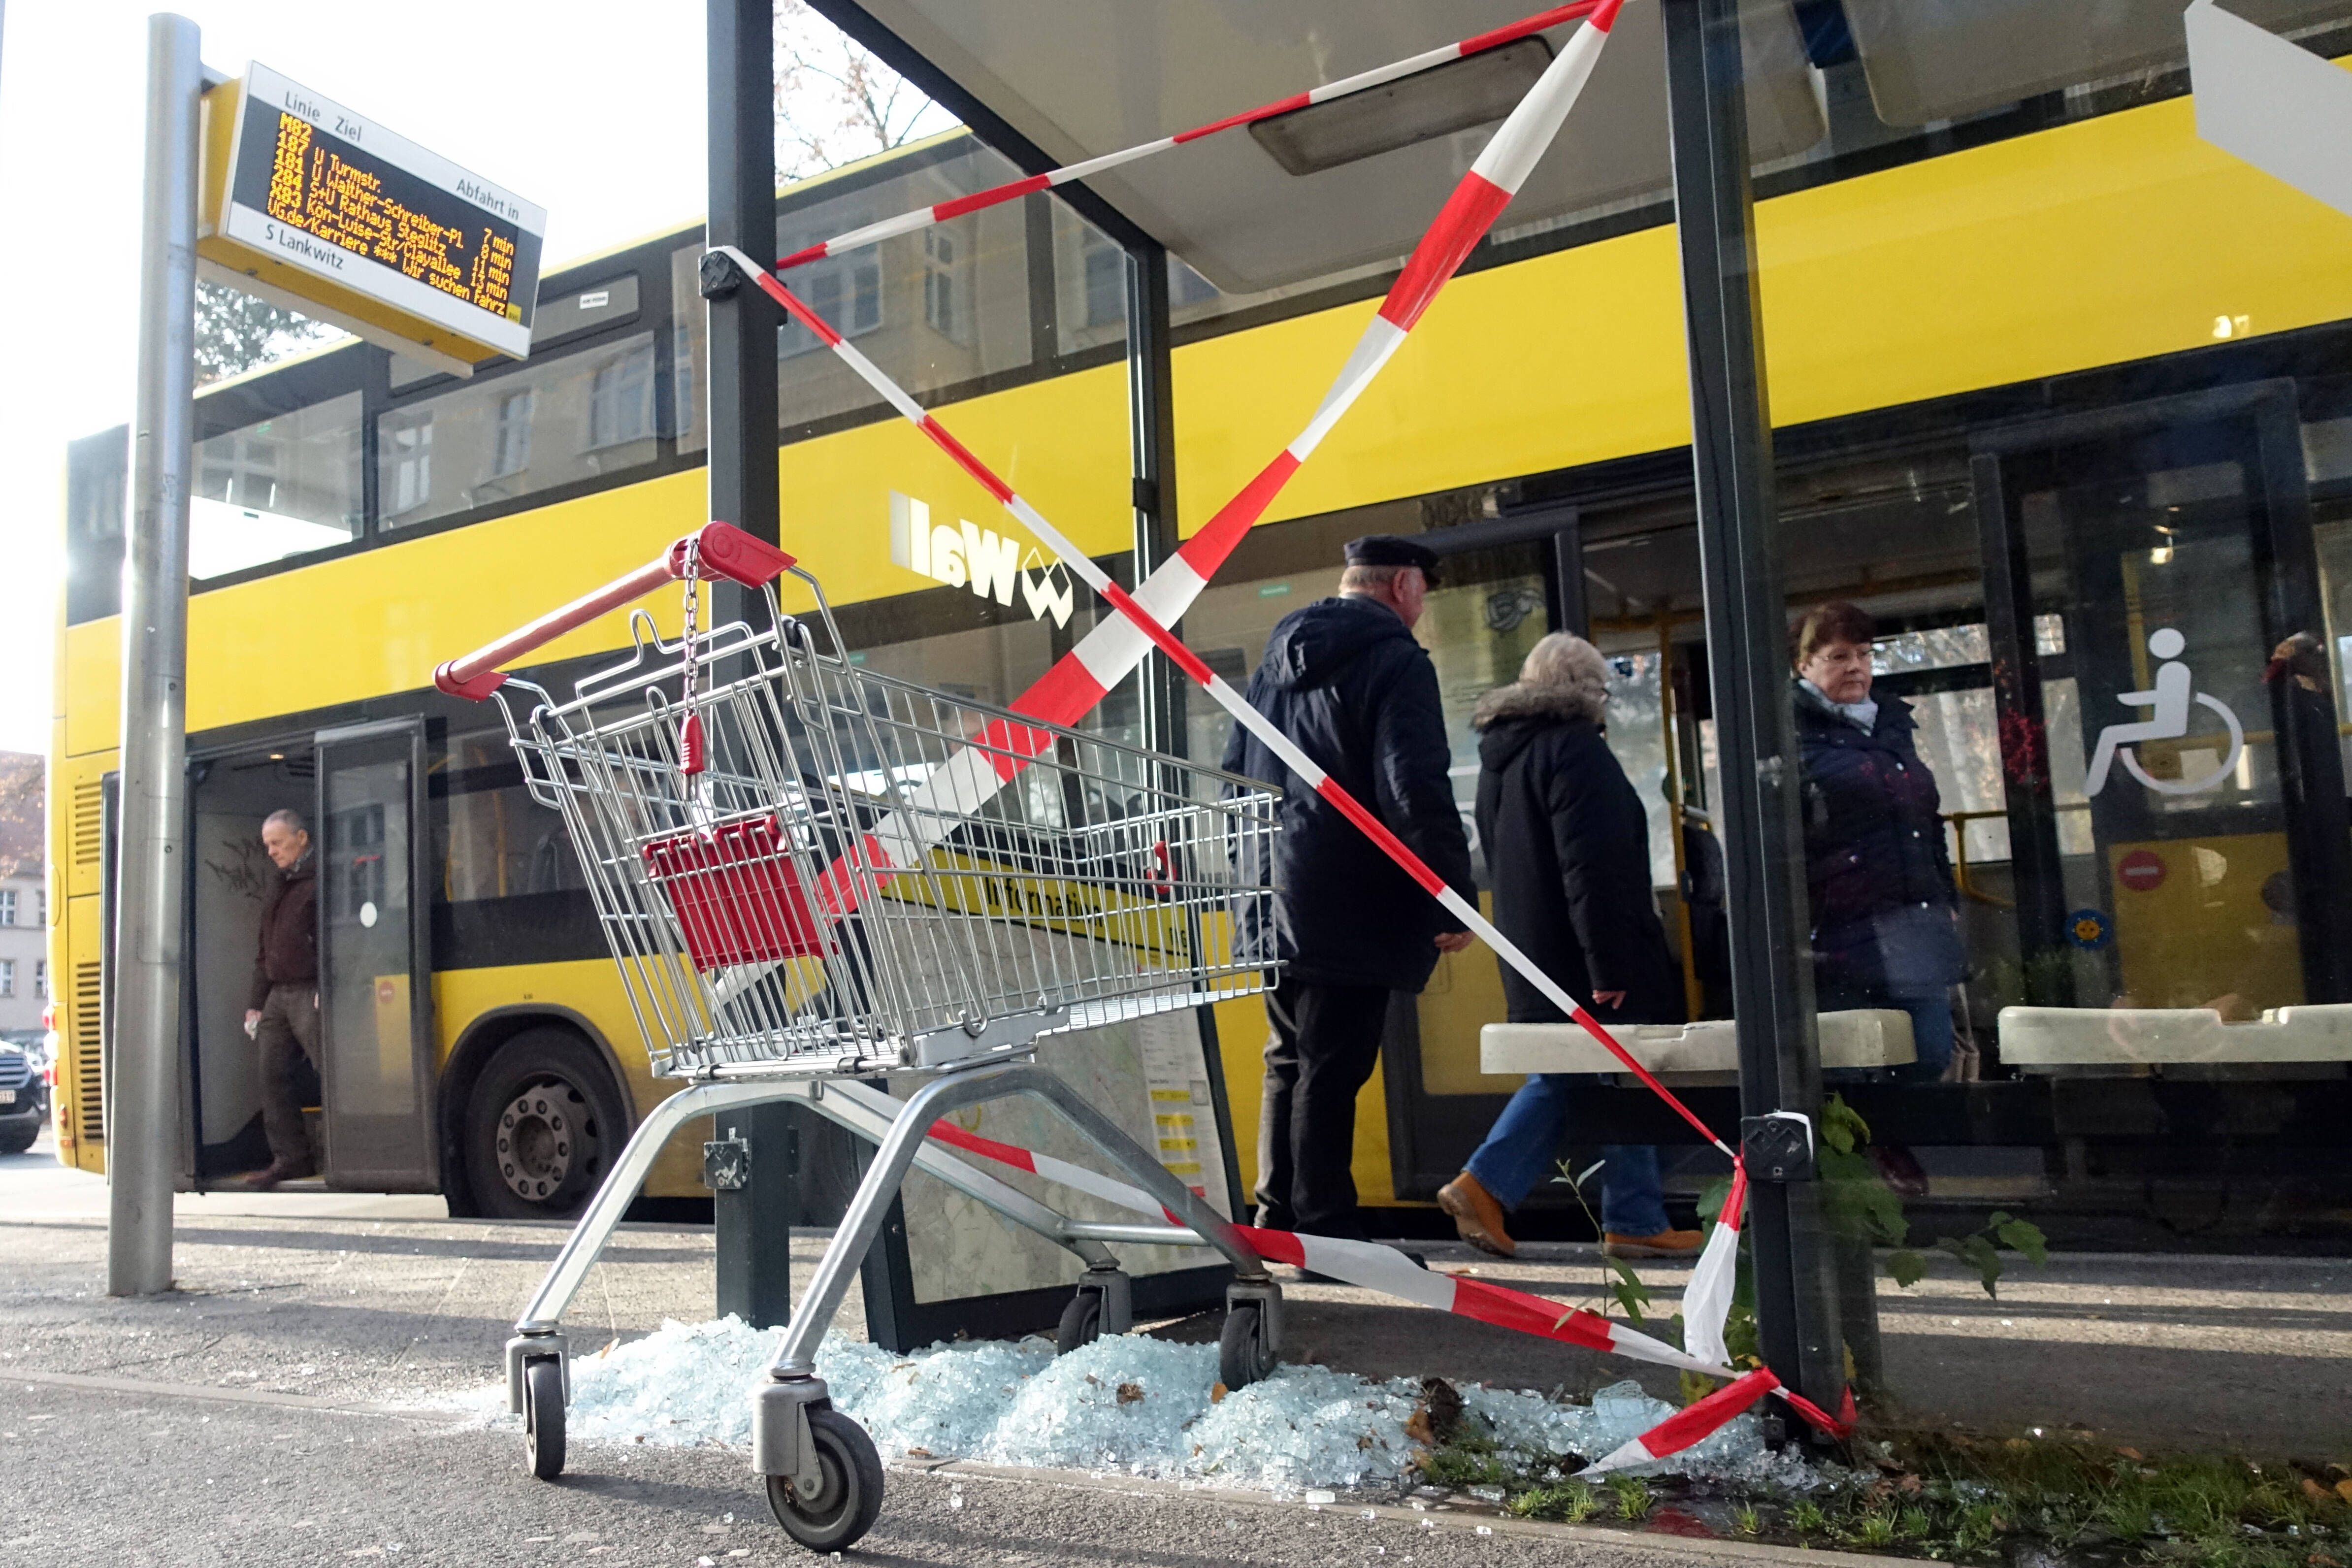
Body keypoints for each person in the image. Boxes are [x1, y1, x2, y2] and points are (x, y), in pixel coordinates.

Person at [1225, 534, 1477, 1242]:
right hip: (1348, 898)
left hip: (1271, 890)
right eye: (1423, 592)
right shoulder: (1394, 661)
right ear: (1402, 586)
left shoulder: (1273, 662)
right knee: (1334, 1070)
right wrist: (1448, 893)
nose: (1423, 607)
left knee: (1290, 1061)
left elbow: (1233, 767)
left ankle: (1277, 1215)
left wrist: (1250, 880)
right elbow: (1413, 786)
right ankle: (1326, 1230)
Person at [1435, 634, 1700, 1260]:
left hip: (1536, 954)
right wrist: (1608, 963)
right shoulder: (1577, 751)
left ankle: (1634, 1213)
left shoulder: (1504, 759)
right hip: (1590, 959)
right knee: (1593, 1074)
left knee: (1605, 1077)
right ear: (1587, 692)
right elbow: (1594, 868)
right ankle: (1485, 1182)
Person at [1789, 601, 1962, 1086]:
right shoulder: (1789, 734)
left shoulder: (1892, 727)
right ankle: (1875, 1159)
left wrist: (1946, 896)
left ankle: (1899, 1158)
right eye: (1839, 656)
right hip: (1842, 927)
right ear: (1805, 665)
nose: (1857, 668)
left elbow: (1926, 826)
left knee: (1929, 1053)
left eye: (1865, 655)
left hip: (1914, 922)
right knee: (1854, 1067)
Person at [245, 808, 320, 1188]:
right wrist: (256, 1003)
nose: (271, 851)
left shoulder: (321, 879)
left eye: (277, 842)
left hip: (311, 989)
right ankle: (291, 1159)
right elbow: (265, 947)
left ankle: (346, 1150)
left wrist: (329, 985)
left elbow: (334, 938)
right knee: (271, 1075)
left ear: (301, 838)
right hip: (279, 993)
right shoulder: (280, 883)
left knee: (332, 1070)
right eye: (267, 845)